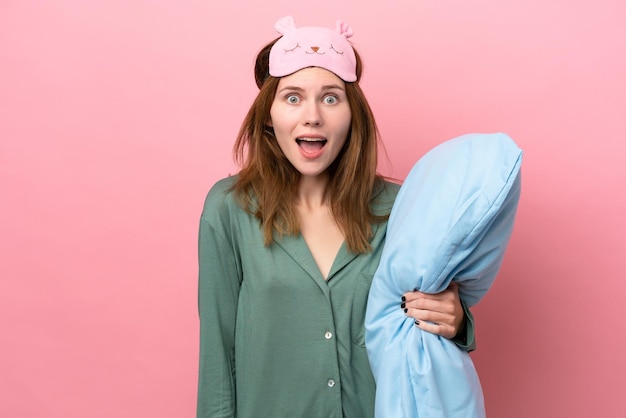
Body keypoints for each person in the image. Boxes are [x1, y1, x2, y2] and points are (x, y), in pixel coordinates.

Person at [197, 16, 475, 418]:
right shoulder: (228, 208)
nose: (312, 116)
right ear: (269, 117)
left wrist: (458, 320)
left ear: (352, 115)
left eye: (330, 98)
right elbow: (217, 355)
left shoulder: (402, 208)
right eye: (293, 97)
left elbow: (430, 326)